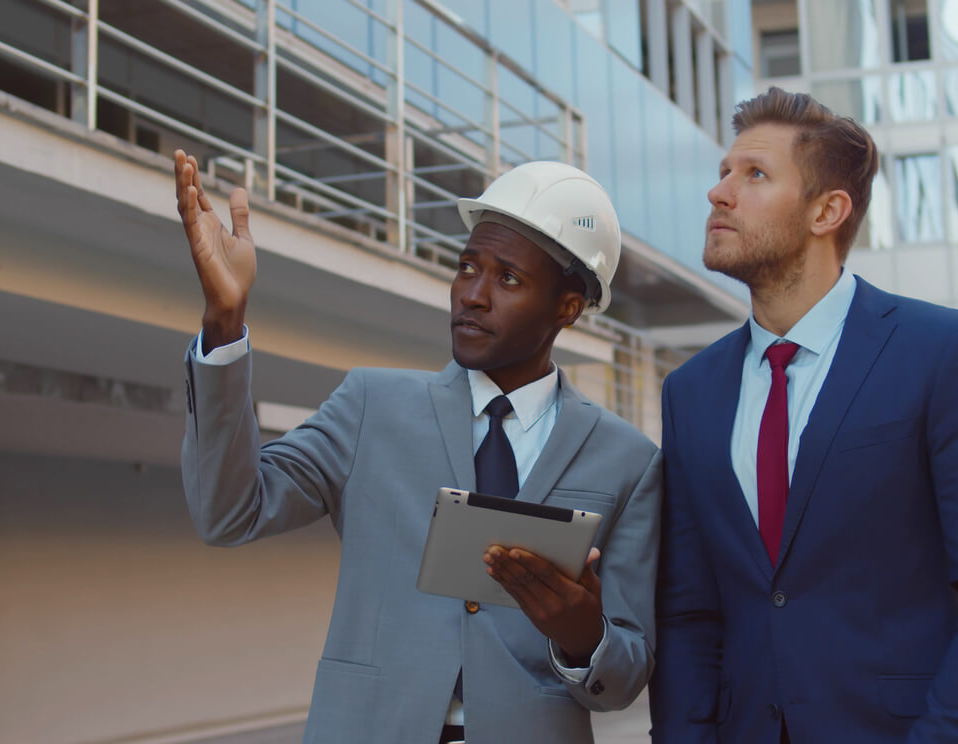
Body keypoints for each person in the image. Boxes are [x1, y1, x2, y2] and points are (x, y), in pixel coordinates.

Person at [172, 152, 660, 744]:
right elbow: (229, 513)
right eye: (467, 267)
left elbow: (627, 671)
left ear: (569, 306)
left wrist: (583, 634)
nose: (472, 295)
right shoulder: (370, 405)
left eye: (508, 278)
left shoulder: (629, 460)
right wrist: (225, 322)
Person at [650, 88, 958, 743]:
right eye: (723, 173)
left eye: (753, 175)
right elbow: (691, 610)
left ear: (826, 211)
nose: (718, 193)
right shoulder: (690, 391)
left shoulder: (944, 352)